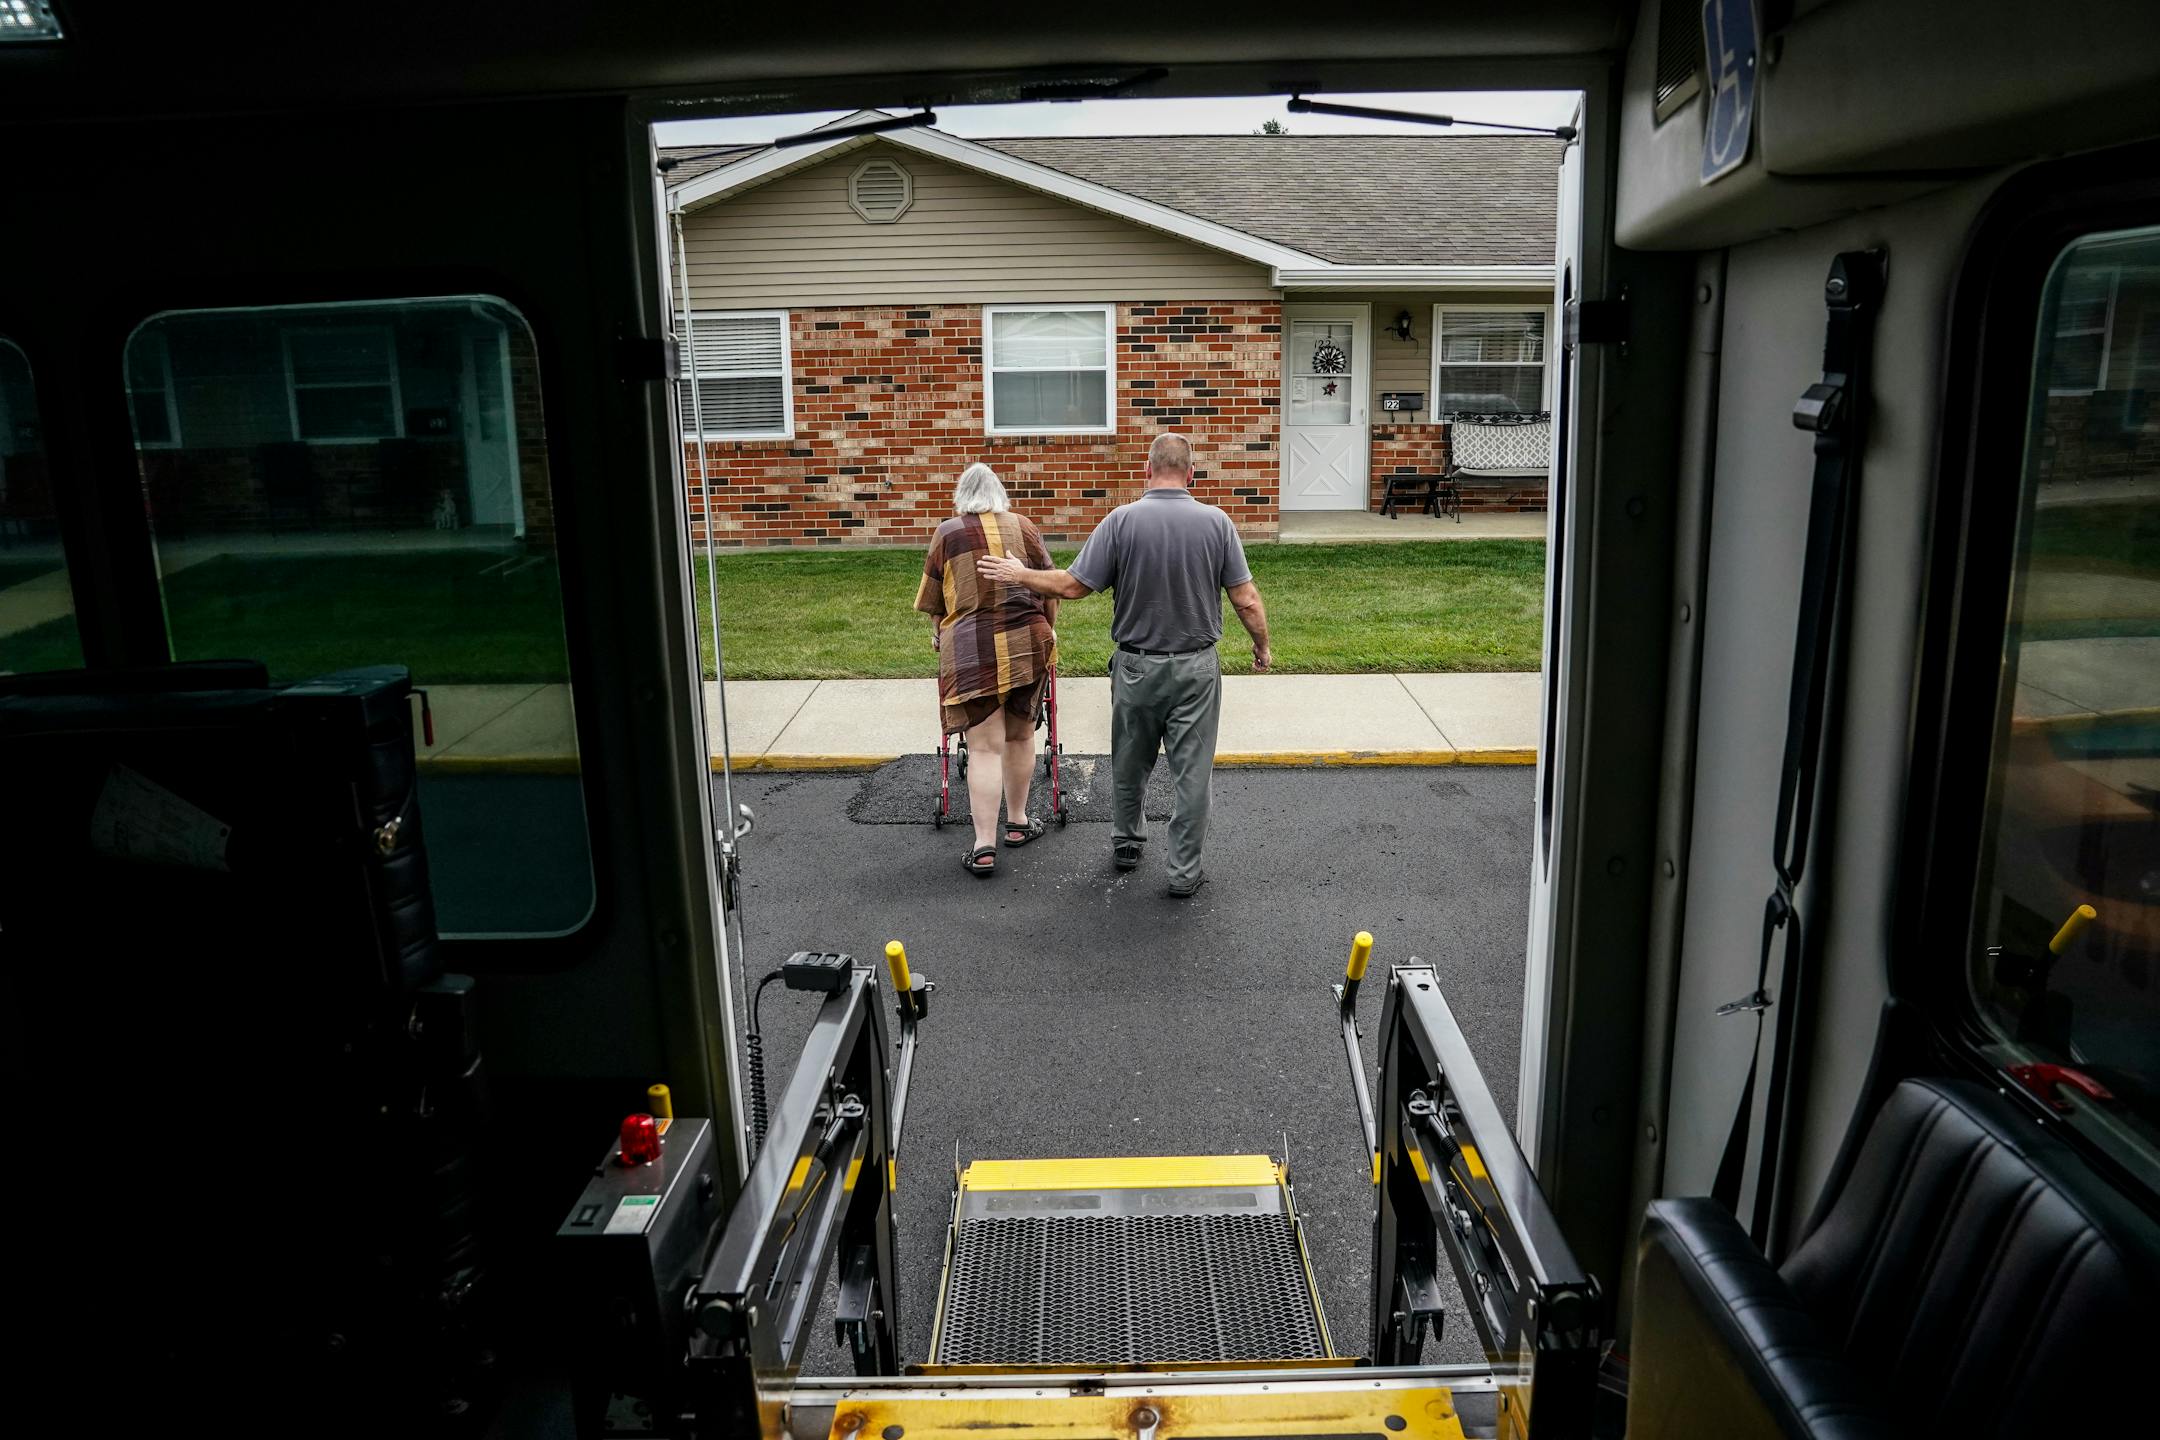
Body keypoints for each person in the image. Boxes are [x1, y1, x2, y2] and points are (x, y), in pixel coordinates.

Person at [979, 432, 1270, 897]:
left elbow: (1074, 585)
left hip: (1136, 668)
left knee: (1130, 763)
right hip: (1196, 669)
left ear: (1146, 471)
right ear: (1191, 473)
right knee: (1192, 775)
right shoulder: (1217, 523)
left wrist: (1021, 575)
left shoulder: (1121, 521)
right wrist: (1262, 647)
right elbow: (1247, 600)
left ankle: (1128, 843)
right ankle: (1183, 873)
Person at [916, 462, 1058, 876]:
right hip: (1026, 645)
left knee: (982, 748)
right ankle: (1017, 822)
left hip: (971, 651)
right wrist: (1049, 630)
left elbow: (934, 601)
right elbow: (1049, 587)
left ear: (963, 495)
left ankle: (984, 846)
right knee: (1019, 737)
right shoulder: (1024, 527)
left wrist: (940, 634)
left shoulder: (947, 532)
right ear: (1000, 494)